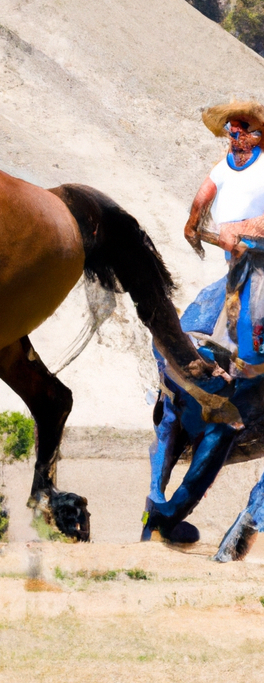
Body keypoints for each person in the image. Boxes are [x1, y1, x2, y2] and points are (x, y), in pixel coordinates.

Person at [143, 100, 264, 542]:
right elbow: (204, 195)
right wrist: (196, 218)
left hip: (258, 259)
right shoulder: (226, 165)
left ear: (258, 135)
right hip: (239, 266)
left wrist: (248, 227)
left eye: (243, 128)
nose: (235, 134)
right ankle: (160, 505)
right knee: (194, 327)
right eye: (231, 128)